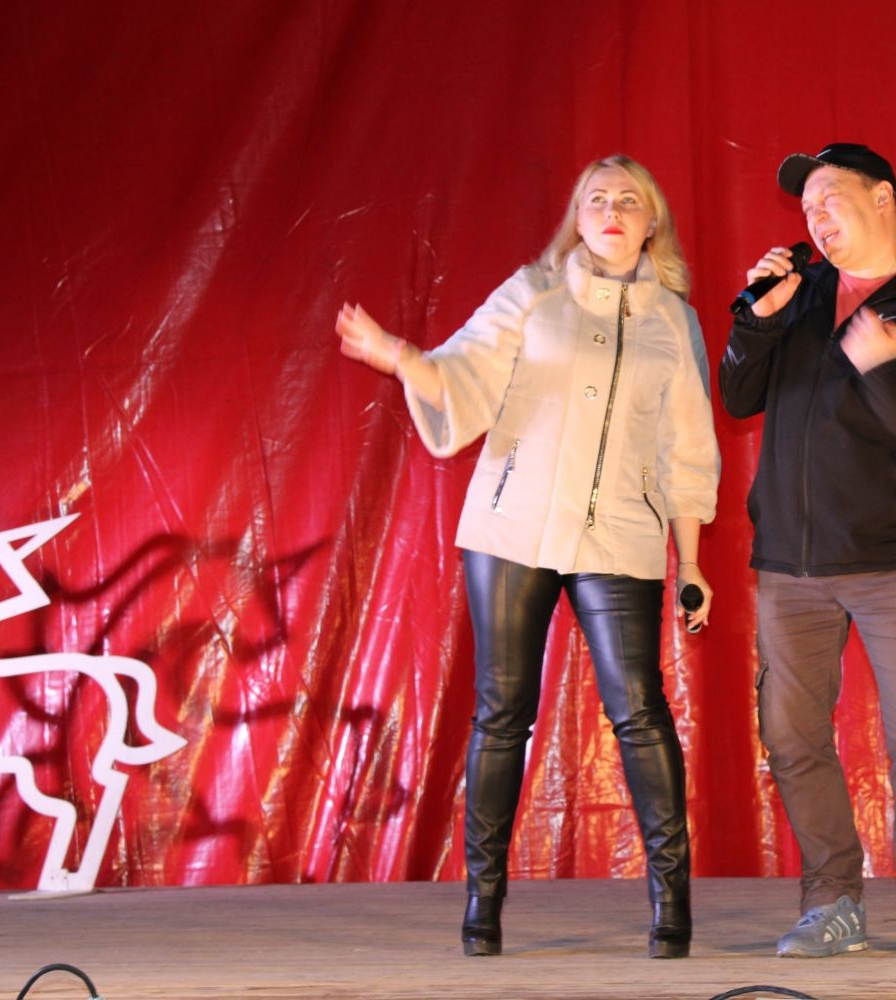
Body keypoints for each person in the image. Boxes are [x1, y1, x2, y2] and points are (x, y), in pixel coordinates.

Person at [336, 155, 720, 959]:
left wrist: (689, 564)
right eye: (596, 198)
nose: (612, 210)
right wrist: (400, 355)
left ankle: (672, 902)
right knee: (501, 711)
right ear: (577, 219)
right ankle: (482, 905)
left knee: (639, 709)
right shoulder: (533, 293)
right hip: (514, 530)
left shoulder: (673, 321)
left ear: (652, 223)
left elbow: (686, 446)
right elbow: (462, 373)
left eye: (629, 200)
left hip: (620, 532)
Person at [718, 143, 896, 961]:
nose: (815, 217)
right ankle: (831, 901)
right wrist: (757, 321)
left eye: (829, 197)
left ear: (884, 198)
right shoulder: (799, 296)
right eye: (805, 207)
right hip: (789, 565)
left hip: (889, 562)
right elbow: (737, 395)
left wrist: (885, 371)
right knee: (792, 739)